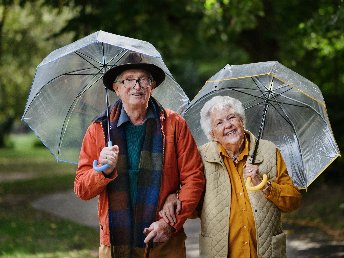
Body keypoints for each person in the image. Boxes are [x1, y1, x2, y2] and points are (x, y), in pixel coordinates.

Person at [74, 52, 205, 258]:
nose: (137, 86)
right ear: (116, 88)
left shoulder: (174, 124)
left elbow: (194, 177)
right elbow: (81, 188)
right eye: (128, 80)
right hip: (115, 244)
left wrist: (169, 223)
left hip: (164, 241)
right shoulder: (98, 129)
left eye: (143, 79)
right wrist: (104, 172)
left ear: (151, 86)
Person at [160, 96, 301, 258]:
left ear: (242, 121)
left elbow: (293, 201)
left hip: (266, 252)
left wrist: (264, 184)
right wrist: (174, 196)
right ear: (212, 134)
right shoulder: (200, 158)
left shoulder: (269, 151)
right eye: (219, 123)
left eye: (231, 117)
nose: (228, 125)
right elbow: (191, 204)